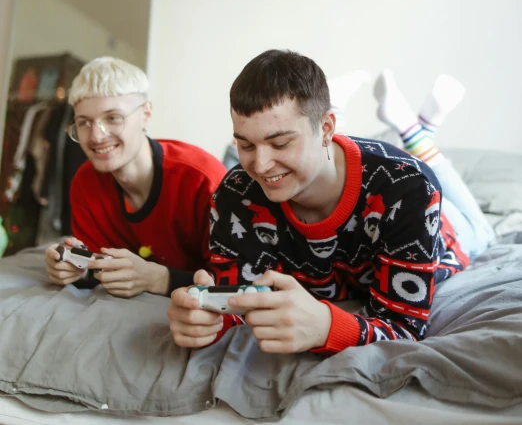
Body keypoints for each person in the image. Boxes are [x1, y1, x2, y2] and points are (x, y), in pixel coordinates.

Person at [168, 50, 491, 355]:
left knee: (482, 230)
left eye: (279, 143)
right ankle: (415, 127)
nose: (261, 166)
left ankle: (418, 132)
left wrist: (328, 328)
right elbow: (241, 299)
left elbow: (404, 326)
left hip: (452, 234)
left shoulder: (409, 187)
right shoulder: (234, 194)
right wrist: (207, 317)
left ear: (326, 128)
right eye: (245, 146)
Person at [45, 57, 226, 298]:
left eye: (113, 118)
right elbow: (99, 267)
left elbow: (238, 281)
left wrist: (159, 278)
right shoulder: (85, 182)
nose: (97, 137)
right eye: (84, 122)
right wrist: (77, 270)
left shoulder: (203, 180)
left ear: (146, 114)